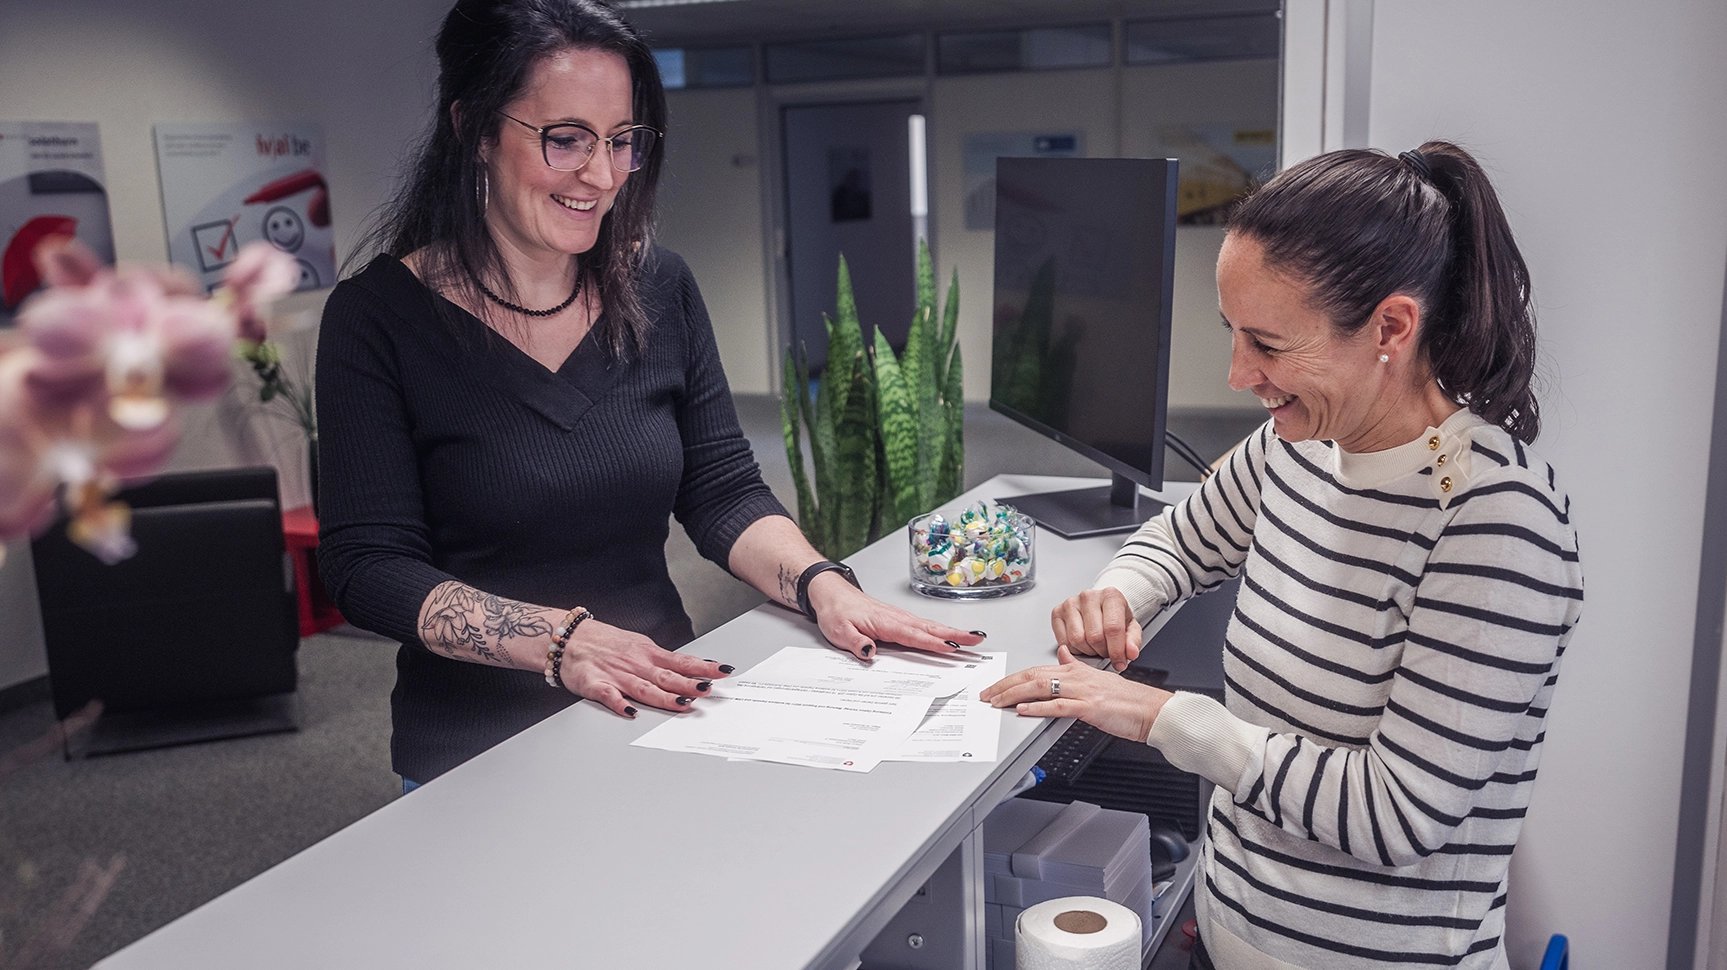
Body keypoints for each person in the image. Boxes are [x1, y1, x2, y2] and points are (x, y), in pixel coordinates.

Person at [316, 0, 984, 788]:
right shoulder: (377, 319)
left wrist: (820, 584)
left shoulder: (659, 287)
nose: (600, 177)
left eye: (622, 141)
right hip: (477, 750)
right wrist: (561, 643)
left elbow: (720, 488)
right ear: (473, 130)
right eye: (565, 139)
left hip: (663, 707)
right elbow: (368, 567)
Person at [982, 142, 1583, 970]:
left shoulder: (1495, 521)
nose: (1237, 374)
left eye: (1266, 345)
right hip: (1225, 930)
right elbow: (1178, 542)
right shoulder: (1293, 448)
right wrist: (1120, 593)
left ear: (1391, 327)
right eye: (1230, 334)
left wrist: (1158, 718)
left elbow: (1396, 813)